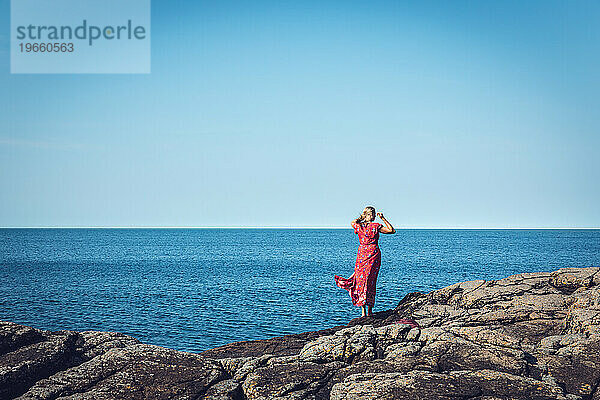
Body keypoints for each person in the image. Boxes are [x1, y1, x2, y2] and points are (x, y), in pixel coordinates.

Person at [335, 206, 395, 317]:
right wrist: (383, 218)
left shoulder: (361, 226)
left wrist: (363, 217)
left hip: (364, 254)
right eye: (372, 214)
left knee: (364, 281)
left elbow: (353, 222)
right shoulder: (375, 226)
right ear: (368, 215)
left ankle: (365, 312)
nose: (374, 216)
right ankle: (367, 311)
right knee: (368, 282)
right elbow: (391, 230)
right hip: (370, 254)